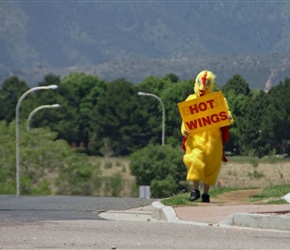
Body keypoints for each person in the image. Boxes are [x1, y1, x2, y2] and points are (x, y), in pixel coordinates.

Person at [181, 70, 233, 202]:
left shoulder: (217, 100)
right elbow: (185, 121)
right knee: (195, 160)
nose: (203, 88)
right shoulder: (191, 100)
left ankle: (206, 194)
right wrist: (185, 131)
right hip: (195, 140)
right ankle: (195, 190)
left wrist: (228, 117)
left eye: (206, 84)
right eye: (201, 83)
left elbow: (225, 115)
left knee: (210, 167)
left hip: (213, 140)